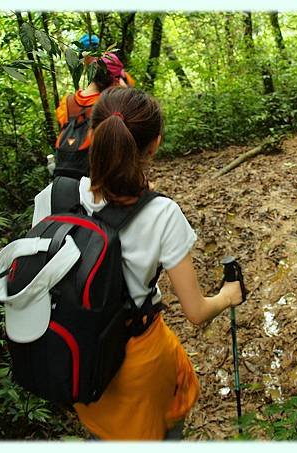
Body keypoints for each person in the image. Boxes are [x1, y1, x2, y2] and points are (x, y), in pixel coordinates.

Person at [32, 86, 243, 440]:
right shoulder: (162, 214)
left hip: (80, 358)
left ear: (92, 136)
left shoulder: (53, 197)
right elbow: (196, 311)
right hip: (141, 366)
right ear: (155, 144)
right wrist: (227, 295)